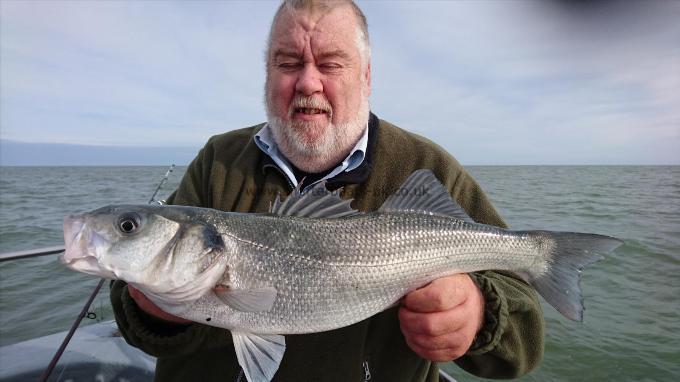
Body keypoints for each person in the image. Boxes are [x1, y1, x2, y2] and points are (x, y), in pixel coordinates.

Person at [111, 1, 545, 381]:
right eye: (288, 63)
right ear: (267, 75)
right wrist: (152, 308)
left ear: (367, 76)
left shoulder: (427, 167)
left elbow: (524, 345)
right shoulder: (217, 160)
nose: (308, 83)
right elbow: (142, 327)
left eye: (331, 64)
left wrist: (479, 314)